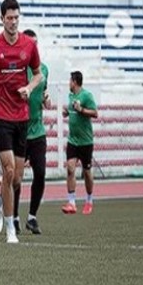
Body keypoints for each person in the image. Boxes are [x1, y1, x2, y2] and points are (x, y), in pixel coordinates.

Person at [0, 0, 43, 244]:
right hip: (2, 115)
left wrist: (29, 87)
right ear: (2, 18)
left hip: (22, 116)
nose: (13, 22)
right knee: (7, 169)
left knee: (16, 178)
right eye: (9, 18)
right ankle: (9, 228)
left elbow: (38, 75)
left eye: (17, 18)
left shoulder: (29, 45)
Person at [18, 29, 50, 234]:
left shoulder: (43, 69)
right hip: (19, 129)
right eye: (31, 43)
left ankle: (32, 216)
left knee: (40, 173)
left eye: (36, 44)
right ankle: (12, 217)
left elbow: (45, 94)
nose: (34, 47)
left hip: (37, 131)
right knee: (15, 178)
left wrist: (46, 99)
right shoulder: (17, 69)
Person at [61, 71, 98, 215]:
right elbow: (72, 111)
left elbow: (95, 113)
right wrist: (67, 112)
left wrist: (81, 109)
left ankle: (89, 200)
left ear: (75, 82)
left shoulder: (87, 96)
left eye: (70, 80)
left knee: (87, 172)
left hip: (85, 141)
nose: (69, 83)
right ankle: (71, 202)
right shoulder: (71, 96)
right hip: (73, 140)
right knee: (70, 168)